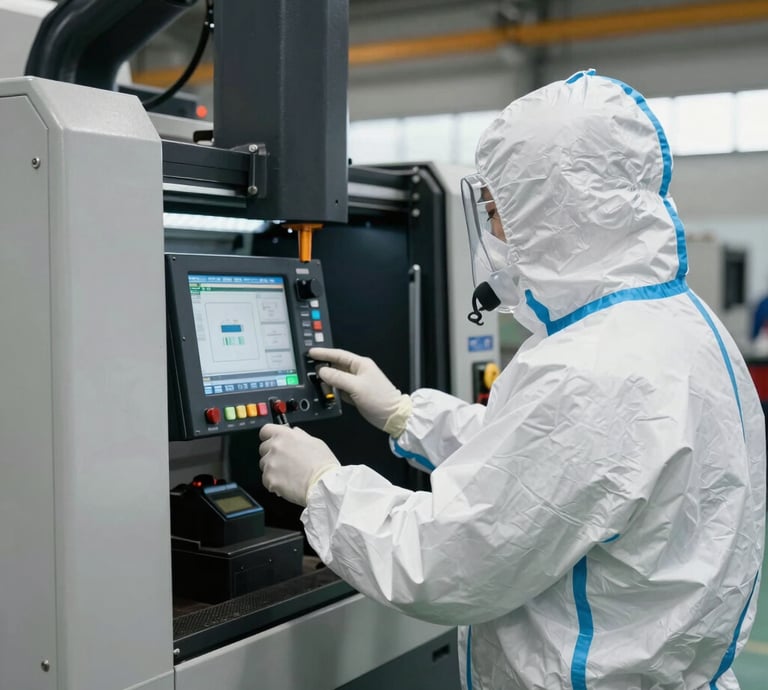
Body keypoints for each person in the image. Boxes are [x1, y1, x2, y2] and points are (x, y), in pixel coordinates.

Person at [258, 70, 766, 689]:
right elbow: (552, 463)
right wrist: (406, 414)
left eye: (500, 211)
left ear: (556, 210)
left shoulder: (591, 369)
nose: (495, 233)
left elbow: (446, 561)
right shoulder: (678, 322)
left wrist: (324, 487)